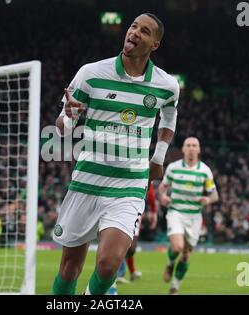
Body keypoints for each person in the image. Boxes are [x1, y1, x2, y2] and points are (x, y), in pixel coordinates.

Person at [51, 13, 180, 295]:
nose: (134, 32)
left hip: (129, 185)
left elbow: (169, 118)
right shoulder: (91, 74)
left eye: (144, 31)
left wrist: (158, 157)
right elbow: (61, 128)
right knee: (69, 268)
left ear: (154, 44)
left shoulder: (166, 85)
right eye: (133, 26)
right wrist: (70, 117)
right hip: (87, 180)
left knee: (109, 265)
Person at [158, 137, 218, 295]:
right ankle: (170, 263)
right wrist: (163, 197)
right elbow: (162, 188)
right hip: (176, 212)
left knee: (186, 255)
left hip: (194, 217)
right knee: (178, 247)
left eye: (194, 145)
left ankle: (175, 286)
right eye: (188, 145)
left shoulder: (204, 170)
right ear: (183, 149)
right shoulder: (173, 167)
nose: (191, 148)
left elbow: (214, 195)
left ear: (199, 150)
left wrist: (207, 199)